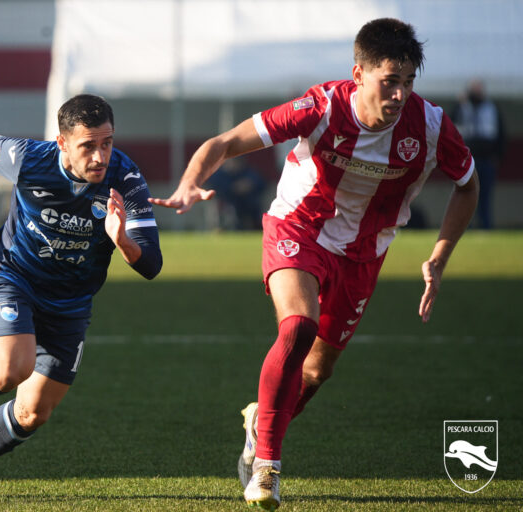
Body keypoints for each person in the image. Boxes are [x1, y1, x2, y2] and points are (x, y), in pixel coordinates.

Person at [150, 18, 478, 510]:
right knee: (297, 327)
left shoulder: (430, 126)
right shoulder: (321, 106)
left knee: (316, 372)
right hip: (298, 229)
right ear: (359, 73)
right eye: (389, 81)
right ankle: (266, 467)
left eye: (408, 82)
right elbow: (224, 143)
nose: (399, 94)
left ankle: (260, 419)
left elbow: (468, 184)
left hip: (365, 251)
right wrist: (190, 183)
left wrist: (440, 254)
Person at [0, 94, 162, 501]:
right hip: (14, 276)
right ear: (62, 143)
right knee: (11, 367)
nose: (100, 156)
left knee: (33, 413)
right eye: (88, 146)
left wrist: (122, 242)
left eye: (107, 142)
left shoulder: (127, 178)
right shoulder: (29, 158)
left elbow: (151, 263)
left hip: (71, 303)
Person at [451, 79, 505, 230]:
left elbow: (501, 134)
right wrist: (459, 103)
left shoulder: (492, 108)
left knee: (485, 196)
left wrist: (498, 157)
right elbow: (449, 127)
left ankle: (486, 227)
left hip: (487, 160)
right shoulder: (461, 107)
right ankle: (464, 228)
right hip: (466, 161)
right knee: (464, 195)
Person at [205, 157, 267, 230]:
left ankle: (257, 227)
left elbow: (260, 183)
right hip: (227, 202)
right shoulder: (219, 174)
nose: (232, 164)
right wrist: (233, 187)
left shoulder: (247, 171)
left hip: (248, 202)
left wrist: (249, 185)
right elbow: (215, 187)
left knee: (253, 205)